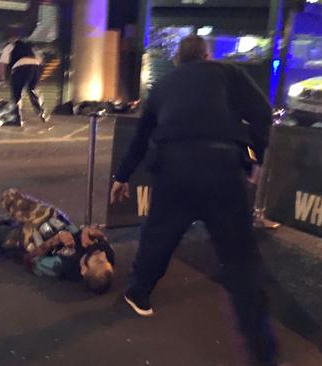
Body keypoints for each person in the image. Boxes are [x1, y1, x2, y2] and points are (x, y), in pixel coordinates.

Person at [109, 35, 278, 365]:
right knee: (241, 260)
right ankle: (262, 349)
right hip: (222, 166)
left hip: (175, 168)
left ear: (177, 61)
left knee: (159, 233)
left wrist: (122, 176)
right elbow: (262, 114)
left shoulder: (163, 85)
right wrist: (252, 155)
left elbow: (141, 139)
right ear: (207, 55)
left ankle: (138, 293)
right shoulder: (227, 72)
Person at [0, 189, 114, 294]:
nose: (101, 254)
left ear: (83, 269)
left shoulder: (62, 266)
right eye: (105, 260)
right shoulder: (106, 254)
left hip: (30, 237)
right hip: (50, 218)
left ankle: (7, 225)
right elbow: (99, 236)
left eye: (98, 261)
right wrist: (87, 231)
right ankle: (9, 221)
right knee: (9, 196)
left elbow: (30, 260)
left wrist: (55, 240)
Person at [0, 38, 48, 126]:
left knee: (17, 93)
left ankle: (17, 118)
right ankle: (41, 112)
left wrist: (2, 79)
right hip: (35, 66)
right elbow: (41, 60)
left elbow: (2, 64)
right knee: (33, 90)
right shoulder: (30, 46)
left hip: (21, 67)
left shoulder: (9, 46)